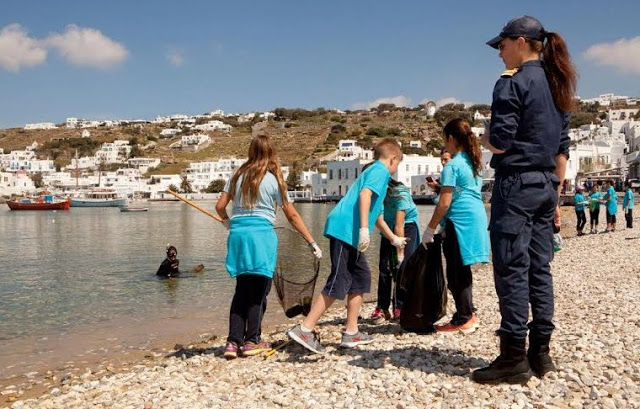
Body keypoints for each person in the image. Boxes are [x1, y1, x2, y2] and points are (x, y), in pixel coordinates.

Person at [476, 15, 577, 384]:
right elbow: (562, 148)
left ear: (520, 41)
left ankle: (513, 358)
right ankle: (541, 354)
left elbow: (501, 141)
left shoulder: (512, 84)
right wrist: (554, 189)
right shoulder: (557, 85)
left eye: (501, 45)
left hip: (516, 184)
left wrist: (485, 136)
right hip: (546, 185)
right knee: (540, 268)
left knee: (511, 268)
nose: (500, 53)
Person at [287, 138, 407, 354]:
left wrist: (393, 238)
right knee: (339, 279)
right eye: (397, 164)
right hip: (345, 230)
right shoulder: (380, 171)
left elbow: (377, 214)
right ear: (393, 158)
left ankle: (351, 332)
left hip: (349, 232)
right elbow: (364, 195)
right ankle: (305, 328)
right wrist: (363, 229)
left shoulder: (374, 173)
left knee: (361, 277)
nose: (396, 169)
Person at [215, 135, 322, 360]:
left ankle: (232, 343)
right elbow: (291, 215)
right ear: (271, 152)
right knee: (259, 290)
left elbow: (220, 206)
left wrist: (227, 222)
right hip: (261, 237)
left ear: (251, 151)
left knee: (241, 289)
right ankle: (252, 340)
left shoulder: (236, 176)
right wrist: (311, 242)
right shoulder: (273, 180)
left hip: (238, 236)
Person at [422, 118, 490, 334]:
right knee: (462, 268)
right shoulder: (473, 161)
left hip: (460, 220)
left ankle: (464, 318)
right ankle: (468, 313)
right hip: (476, 216)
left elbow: (445, 202)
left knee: (455, 271)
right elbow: (462, 190)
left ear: (450, 139)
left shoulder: (452, 165)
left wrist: (430, 228)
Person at [370, 178, 420, 323]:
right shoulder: (374, 194)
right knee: (384, 267)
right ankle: (383, 308)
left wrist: (400, 253)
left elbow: (399, 225)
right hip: (387, 228)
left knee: (403, 267)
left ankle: (400, 306)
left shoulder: (400, 193)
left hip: (407, 226)